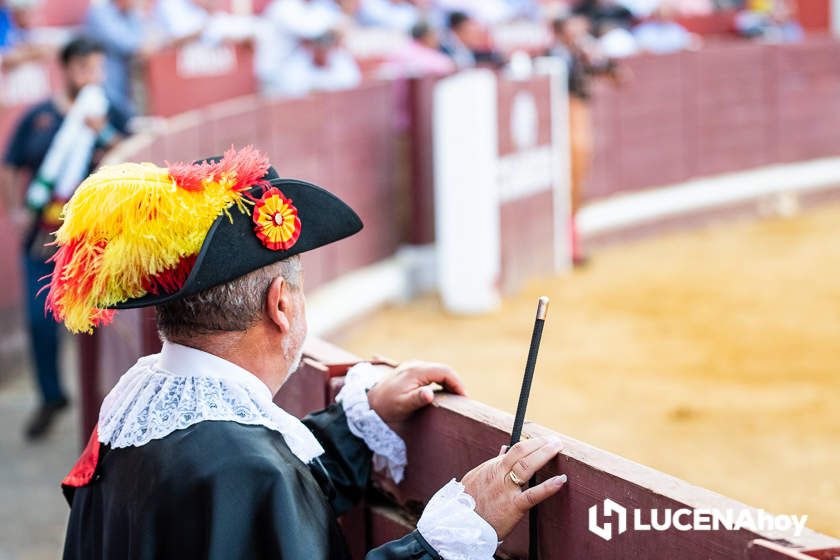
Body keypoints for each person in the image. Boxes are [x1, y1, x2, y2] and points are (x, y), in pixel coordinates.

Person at [53, 147, 568, 558]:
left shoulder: (138, 408)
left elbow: (256, 520)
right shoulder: (246, 468)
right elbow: (254, 490)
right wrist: (455, 536)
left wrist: (357, 426)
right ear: (281, 305)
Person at [1, 37, 132, 440]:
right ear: (67, 69)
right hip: (43, 235)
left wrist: (104, 132)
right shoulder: (39, 115)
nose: (91, 76)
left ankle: (107, 409)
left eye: (97, 68)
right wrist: (16, 211)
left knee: (100, 323)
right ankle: (51, 396)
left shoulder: (109, 111)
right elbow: (10, 164)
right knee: (41, 323)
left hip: (94, 239)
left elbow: (135, 152)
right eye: (83, 68)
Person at [549, 14, 624, 265]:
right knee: (568, 184)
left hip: (575, 121)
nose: (580, 32)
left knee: (576, 186)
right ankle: (567, 248)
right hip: (565, 125)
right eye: (574, 28)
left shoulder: (578, 54)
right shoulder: (557, 57)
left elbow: (618, 76)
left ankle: (572, 247)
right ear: (560, 32)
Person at [84, 0, 155, 111]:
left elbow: (143, 40)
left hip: (126, 80)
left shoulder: (131, 13)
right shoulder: (100, 13)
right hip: (106, 80)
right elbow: (129, 45)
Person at [439, 11, 504, 69]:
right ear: (456, 31)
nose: (473, 35)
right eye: (467, 31)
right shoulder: (450, 50)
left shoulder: (477, 39)